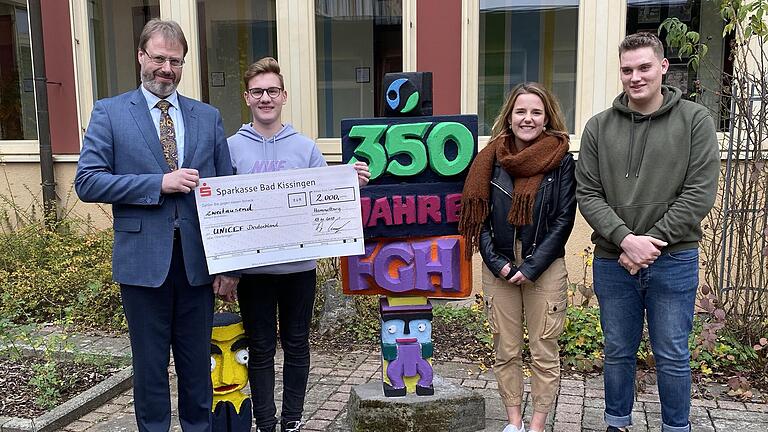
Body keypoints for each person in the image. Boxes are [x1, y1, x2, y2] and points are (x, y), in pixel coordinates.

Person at [75, 19, 239, 432]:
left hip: (198, 264)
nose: (167, 68)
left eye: (176, 61)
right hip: (143, 263)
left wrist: (229, 265)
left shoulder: (207, 116)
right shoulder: (110, 113)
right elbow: (87, 181)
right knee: (149, 368)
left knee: (197, 364)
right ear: (141, 57)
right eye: (159, 59)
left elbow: (228, 192)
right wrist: (158, 184)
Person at [575, 32, 720, 432]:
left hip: (674, 259)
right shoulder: (597, 128)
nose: (635, 77)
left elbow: (699, 194)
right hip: (613, 261)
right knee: (618, 350)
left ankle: (676, 427)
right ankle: (616, 423)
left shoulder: (696, 121)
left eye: (643, 67)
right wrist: (624, 240)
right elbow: (588, 193)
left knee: (672, 353)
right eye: (627, 70)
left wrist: (647, 243)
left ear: (662, 67)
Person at [226, 57, 370, 432]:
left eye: (272, 90)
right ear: (247, 98)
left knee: (297, 345)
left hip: (298, 270)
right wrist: (224, 267)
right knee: (259, 349)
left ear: (284, 95)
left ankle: (292, 419)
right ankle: (266, 422)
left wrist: (352, 184)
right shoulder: (229, 149)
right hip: (254, 272)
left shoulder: (305, 148)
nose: (265, 98)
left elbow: (328, 197)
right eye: (257, 91)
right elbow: (220, 213)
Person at [459, 82, 576, 432]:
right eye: (521, 111)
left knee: (543, 350)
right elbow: (476, 218)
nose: (528, 118)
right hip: (500, 269)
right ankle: (513, 422)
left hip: (545, 267)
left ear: (546, 118)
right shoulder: (489, 160)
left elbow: (564, 219)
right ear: (509, 117)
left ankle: (537, 425)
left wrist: (532, 266)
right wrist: (499, 264)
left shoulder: (562, 160)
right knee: (505, 350)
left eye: (536, 112)